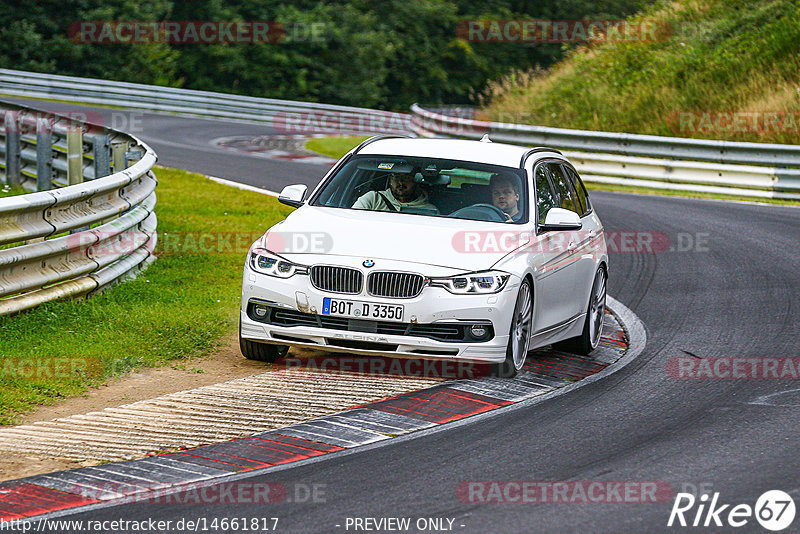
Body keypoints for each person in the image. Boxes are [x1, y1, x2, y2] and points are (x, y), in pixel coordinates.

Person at [352, 172, 438, 212]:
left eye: (406, 178)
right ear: (390, 180)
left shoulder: (429, 210)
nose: (400, 182)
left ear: (416, 181)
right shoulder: (373, 199)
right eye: (396, 177)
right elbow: (353, 221)